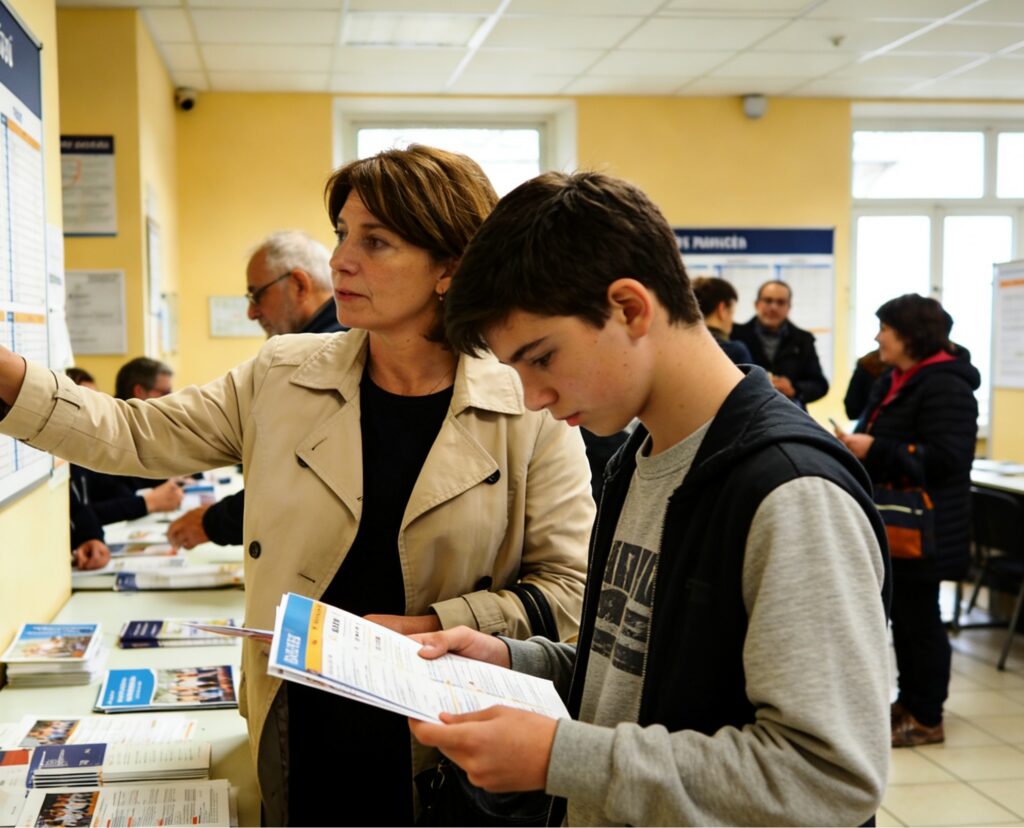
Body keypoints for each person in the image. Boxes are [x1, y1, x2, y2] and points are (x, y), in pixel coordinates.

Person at [0, 145, 593, 826]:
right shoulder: (282, 374)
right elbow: (133, 434)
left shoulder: (528, 405)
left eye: (377, 241)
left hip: (447, 745)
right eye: (343, 232)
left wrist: (440, 627)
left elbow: (572, 591)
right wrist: (9, 378)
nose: (341, 258)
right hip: (302, 727)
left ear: (449, 269)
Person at [409, 170, 892, 826]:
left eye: (542, 358)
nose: (532, 399)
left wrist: (562, 755)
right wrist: (515, 659)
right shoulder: (643, 458)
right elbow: (640, 670)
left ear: (630, 308)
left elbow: (827, 777)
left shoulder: (790, 493)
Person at [835, 294, 979, 748]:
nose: (877, 337)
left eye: (886, 329)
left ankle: (927, 715)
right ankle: (908, 702)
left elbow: (949, 459)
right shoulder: (896, 377)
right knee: (905, 619)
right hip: (895, 524)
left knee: (921, 622)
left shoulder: (946, 385)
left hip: (927, 527)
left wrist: (874, 449)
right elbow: (871, 418)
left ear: (911, 335)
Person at [167, 230, 344, 550]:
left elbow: (300, 484)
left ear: (299, 285)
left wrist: (212, 522)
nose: (251, 312)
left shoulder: (318, 358)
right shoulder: (340, 343)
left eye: (256, 295)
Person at [72, 357, 184, 525]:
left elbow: (123, 487)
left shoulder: (125, 427)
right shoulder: (85, 444)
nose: (171, 399)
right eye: (165, 392)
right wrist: (149, 502)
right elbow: (83, 515)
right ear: (139, 391)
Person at [731, 279, 829, 409]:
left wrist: (794, 389)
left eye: (780, 302)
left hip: (791, 415)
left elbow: (820, 384)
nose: (773, 307)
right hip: (747, 414)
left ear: (789, 307)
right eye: (768, 300)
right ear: (756, 304)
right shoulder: (735, 336)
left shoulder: (803, 340)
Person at [691, 276, 752, 364]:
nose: (732, 321)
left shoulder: (681, 346)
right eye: (732, 313)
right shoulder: (735, 351)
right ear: (722, 309)